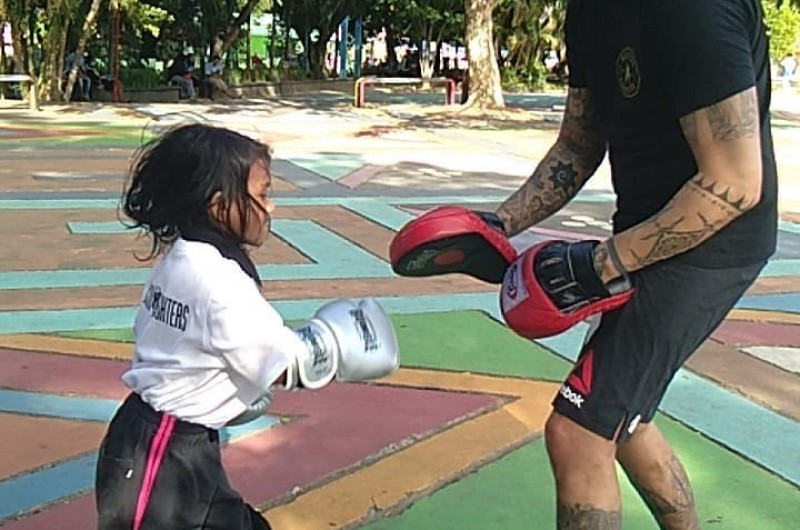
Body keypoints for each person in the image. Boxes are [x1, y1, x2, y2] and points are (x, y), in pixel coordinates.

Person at [390, 0, 777, 528]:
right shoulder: (589, 10)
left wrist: (602, 264)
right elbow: (579, 142)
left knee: (578, 431)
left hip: (713, 243)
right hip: (647, 228)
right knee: (625, 418)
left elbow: (735, 184)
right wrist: (499, 226)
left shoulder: (694, 11)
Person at [94, 123, 399, 530]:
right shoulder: (219, 283)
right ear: (220, 206)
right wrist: (339, 342)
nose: (270, 208)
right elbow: (290, 364)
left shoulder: (182, 256)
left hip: (160, 443)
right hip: (165, 465)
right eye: (263, 194)